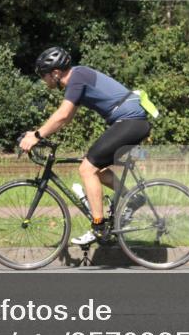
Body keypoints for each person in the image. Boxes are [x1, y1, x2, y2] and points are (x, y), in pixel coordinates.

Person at [19, 46, 151, 245]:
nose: (43, 80)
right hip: (130, 122)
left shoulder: (77, 77)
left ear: (55, 73)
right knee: (96, 169)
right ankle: (132, 199)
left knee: (87, 168)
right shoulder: (78, 78)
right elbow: (67, 118)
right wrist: (42, 135)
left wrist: (36, 135)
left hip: (130, 122)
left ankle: (98, 227)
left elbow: (62, 114)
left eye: (43, 76)